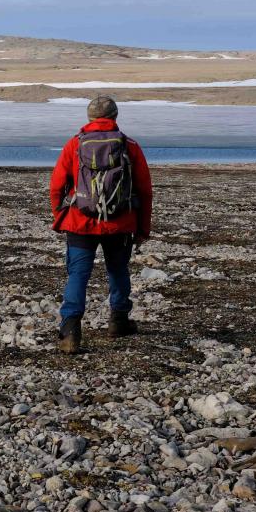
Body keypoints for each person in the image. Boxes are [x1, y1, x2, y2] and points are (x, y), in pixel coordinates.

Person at [50, 95, 153, 353]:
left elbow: (56, 186)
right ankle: (118, 321)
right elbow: (145, 190)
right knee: (118, 271)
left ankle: (70, 330)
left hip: (80, 223)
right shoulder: (129, 146)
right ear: (115, 117)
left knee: (78, 275)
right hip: (120, 222)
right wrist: (142, 228)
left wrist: (59, 216)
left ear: (89, 118)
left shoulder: (74, 145)